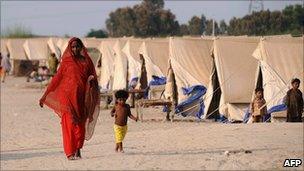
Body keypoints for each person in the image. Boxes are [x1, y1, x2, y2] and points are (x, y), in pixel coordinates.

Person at [39, 37, 100, 160]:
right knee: (69, 125)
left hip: (82, 97)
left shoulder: (86, 62)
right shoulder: (66, 62)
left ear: (81, 47)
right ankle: (69, 152)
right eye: (73, 47)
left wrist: (91, 81)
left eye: (77, 46)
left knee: (80, 125)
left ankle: (78, 149)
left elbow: (93, 77)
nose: (75, 49)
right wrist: (45, 96)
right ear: (69, 48)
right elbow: (56, 79)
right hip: (66, 97)